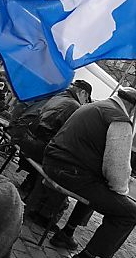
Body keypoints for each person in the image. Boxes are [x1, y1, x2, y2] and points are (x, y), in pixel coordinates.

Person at [42, 87, 136, 258]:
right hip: (70, 172)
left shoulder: (95, 105)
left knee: (100, 183)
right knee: (131, 213)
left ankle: (66, 233)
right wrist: (121, 192)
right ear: (132, 107)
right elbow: (116, 170)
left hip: (53, 163)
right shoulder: (119, 119)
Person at [20, 80, 93, 223]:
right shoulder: (74, 106)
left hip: (29, 140)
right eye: (87, 99)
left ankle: (31, 190)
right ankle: (43, 213)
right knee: (66, 170)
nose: (86, 102)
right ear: (83, 93)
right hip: (39, 147)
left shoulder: (60, 96)